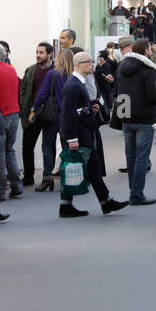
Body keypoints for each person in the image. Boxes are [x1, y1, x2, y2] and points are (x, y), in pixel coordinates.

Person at [58, 52, 128, 217]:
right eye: (88, 62)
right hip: (79, 134)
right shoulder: (73, 85)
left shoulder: (78, 83)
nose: (92, 64)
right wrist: (72, 139)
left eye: (91, 61)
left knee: (90, 168)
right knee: (78, 168)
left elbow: (76, 109)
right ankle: (97, 202)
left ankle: (104, 201)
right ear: (77, 65)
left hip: (83, 132)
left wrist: (90, 107)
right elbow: (67, 114)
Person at [116, 38, 156, 206]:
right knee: (142, 156)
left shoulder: (121, 67)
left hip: (126, 116)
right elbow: (153, 95)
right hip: (144, 117)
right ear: (146, 50)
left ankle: (133, 191)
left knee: (131, 156)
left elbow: (118, 92)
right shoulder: (148, 69)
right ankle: (136, 194)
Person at [29, 49, 74, 190]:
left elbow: (42, 94)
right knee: (67, 147)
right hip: (69, 116)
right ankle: (69, 177)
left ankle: (47, 178)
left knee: (48, 146)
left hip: (53, 116)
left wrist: (34, 109)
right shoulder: (74, 76)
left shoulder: (52, 74)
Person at [18, 42, 54, 188]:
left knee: (48, 146)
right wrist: (24, 107)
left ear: (49, 54)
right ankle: (28, 176)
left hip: (51, 114)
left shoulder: (56, 70)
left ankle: (48, 176)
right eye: (37, 52)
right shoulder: (31, 70)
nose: (38, 55)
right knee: (27, 146)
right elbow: (23, 90)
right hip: (33, 114)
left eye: (41, 53)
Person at [0, 42, 23, 204]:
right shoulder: (11, 69)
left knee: (0, 153)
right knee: (9, 150)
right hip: (14, 114)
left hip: (1, 116)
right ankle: (16, 186)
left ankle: (1, 190)